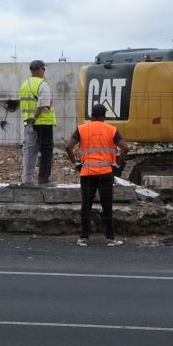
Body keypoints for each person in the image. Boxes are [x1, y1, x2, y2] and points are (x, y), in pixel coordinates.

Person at [67, 102, 125, 245]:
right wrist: (116, 164)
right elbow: (126, 148)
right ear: (104, 116)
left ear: (91, 115)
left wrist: (76, 163)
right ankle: (110, 238)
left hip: (87, 173)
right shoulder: (112, 130)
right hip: (106, 173)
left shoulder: (82, 129)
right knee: (107, 205)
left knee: (86, 205)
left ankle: (84, 238)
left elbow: (68, 146)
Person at [18, 59, 54, 186]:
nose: (44, 71)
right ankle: (43, 179)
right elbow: (44, 103)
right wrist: (36, 116)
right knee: (46, 151)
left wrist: (31, 118)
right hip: (43, 122)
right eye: (44, 69)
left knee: (29, 151)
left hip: (28, 123)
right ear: (39, 69)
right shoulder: (43, 84)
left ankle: (27, 179)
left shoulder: (24, 84)